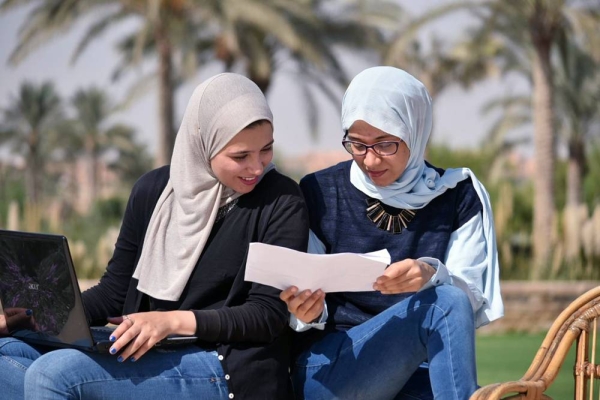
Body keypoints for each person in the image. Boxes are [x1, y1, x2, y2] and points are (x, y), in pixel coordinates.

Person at [0, 73, 309, 400]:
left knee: (53, 375)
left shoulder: (282, 200)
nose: (257, 167)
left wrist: (170, 322)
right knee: (9, 350)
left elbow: (266, 315)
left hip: (225, 363)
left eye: (266, 149)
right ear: (203, 144)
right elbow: (114, 293)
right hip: (144, 349)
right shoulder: (154, 191)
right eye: (240, 156)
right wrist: (35, 315)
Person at [280, 66, 504, 400]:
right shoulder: (321, 191)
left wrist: (431, 274)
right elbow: (305, 288)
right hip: (331, 371)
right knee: (443, 303)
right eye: (356, 144)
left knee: (447, 300)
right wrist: (308, 311)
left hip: (417, 370)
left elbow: (467, 302)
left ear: (415, 131)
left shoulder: (457, 194)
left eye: (385, 144)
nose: (369, 160)